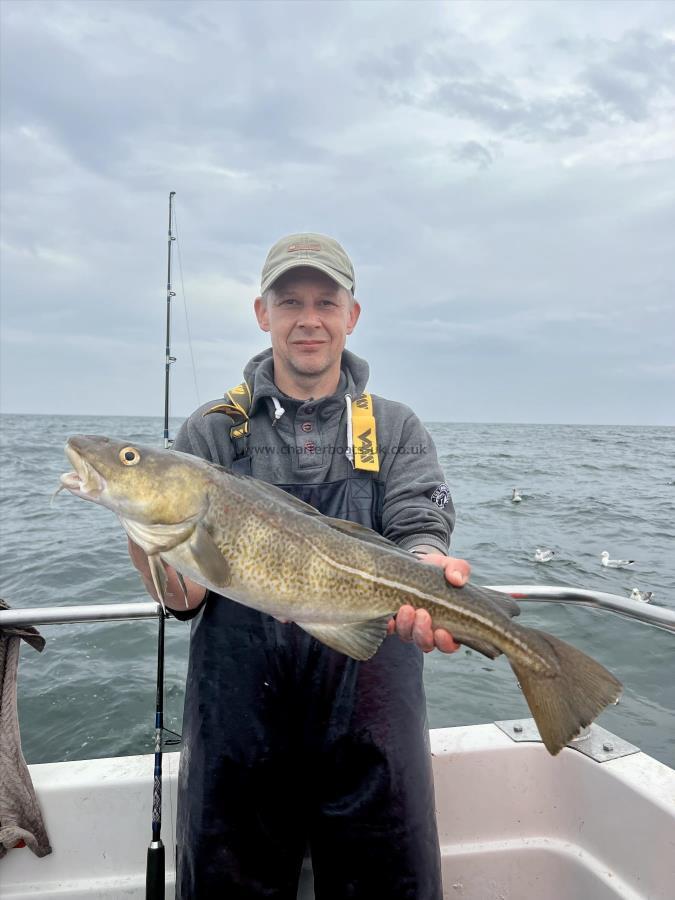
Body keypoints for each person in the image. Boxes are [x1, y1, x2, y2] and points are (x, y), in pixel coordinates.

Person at [129, 232, 472, 900]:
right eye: (290, 302)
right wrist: (143, 527)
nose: (307, 318)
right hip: (240, 723)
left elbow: (420, 531)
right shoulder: (209, 434)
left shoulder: (394, 427)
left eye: (325, 301)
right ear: (263, 313)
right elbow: (185, 598)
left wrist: (433, 577)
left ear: (352, 314)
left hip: (370, 705)